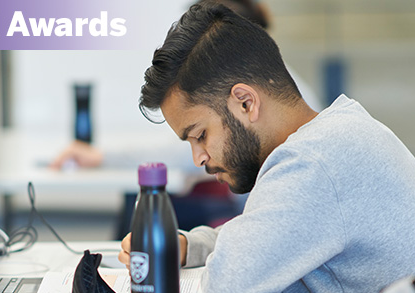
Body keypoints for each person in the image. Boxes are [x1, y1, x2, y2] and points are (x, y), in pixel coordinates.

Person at [116, 2, 415, 293]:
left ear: (245, 103)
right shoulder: (334, 133)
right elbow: (269, 231)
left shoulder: (313, 161)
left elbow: (228, 288)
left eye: (200, 135)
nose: (199, 158)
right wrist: (190, 246)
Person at [49, 0, 323, 171]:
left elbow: (173, 154)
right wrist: (193, 246)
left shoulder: (302, 169)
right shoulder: (288, 97)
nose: (198, 159)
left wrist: (103, 157)